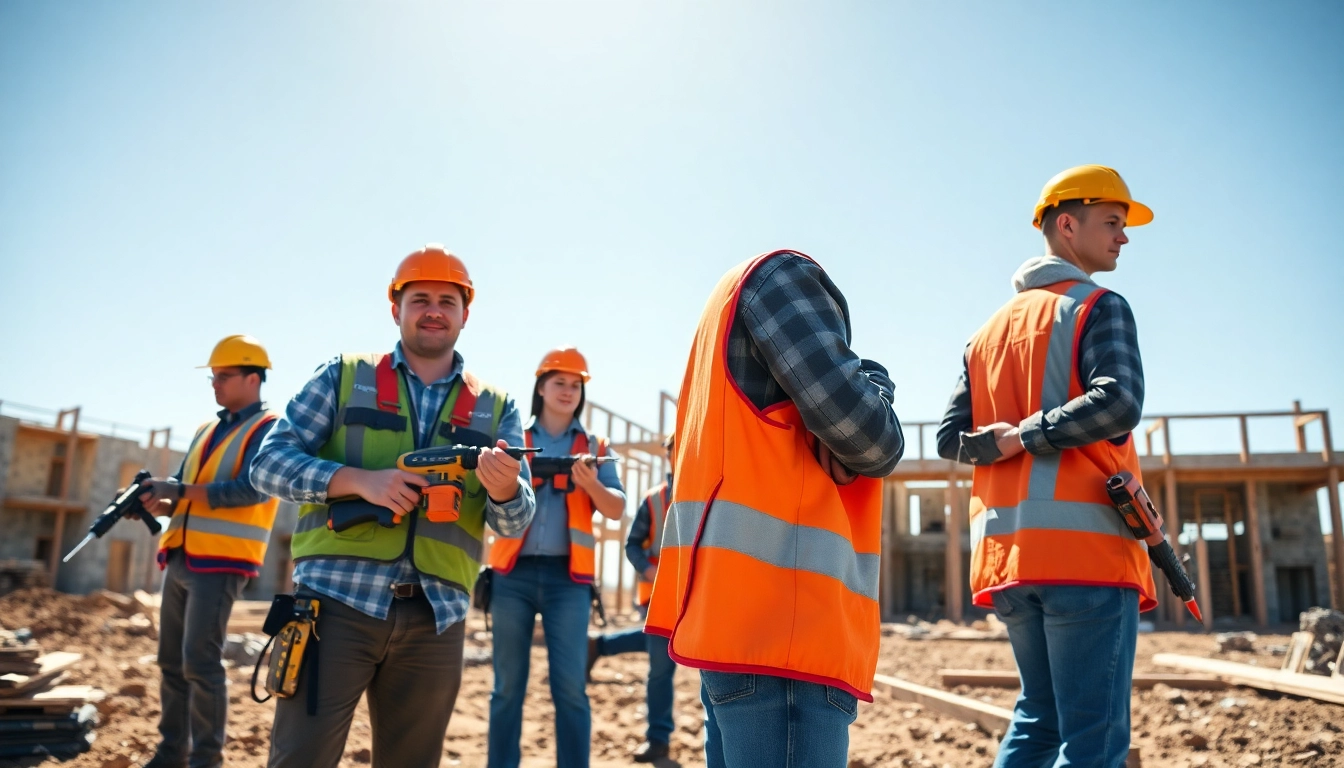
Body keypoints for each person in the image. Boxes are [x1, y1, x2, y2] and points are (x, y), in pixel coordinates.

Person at [250, 244, 535, 768]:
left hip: (437, 618)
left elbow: (516, 521)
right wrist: (357, 481)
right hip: (334, 605)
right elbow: (267, 464)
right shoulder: (342, 376)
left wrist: (504, 490)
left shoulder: (497, 408)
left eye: (447, 302)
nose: (434, 311)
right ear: (395, 308)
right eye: (420, 299)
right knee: (300, 758)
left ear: (465, 315)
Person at [646, 250, 904, 768]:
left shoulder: (725, 304)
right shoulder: (781, 280)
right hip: (789, 632)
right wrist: (874, 380)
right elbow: (874, 441)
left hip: (732, 625)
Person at [935, 165, 1157, 767]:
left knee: (1040, 718)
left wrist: (1005, 441)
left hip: (1010, 559)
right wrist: (1028, 436)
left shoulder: (985, 336)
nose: (1123, 237)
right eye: (1112, 222)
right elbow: (1119, 403)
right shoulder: (1098, 307)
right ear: (1067, 226)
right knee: (1093, 740)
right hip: (1085, 557)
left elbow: (952, 439)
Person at [137, 334, 280, 768]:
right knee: (171, 663)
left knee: (201, 663)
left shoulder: (270, 428)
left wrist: (176, 490)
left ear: (253, 378)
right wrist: (156, 503)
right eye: (213, 377)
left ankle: (206, 760)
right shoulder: (205, 429)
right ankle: (171, 754)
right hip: (181, 555)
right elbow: (183, 494)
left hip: (222, 561)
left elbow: (251, 490)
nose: (215, 384)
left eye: (223, 376)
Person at [487, 346, 626, 768]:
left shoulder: (595, 446)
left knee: (570, 689)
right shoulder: (515, 441)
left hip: (570, 582)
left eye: (575, 385)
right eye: (559, 382)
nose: (568, 391)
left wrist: (591, 484)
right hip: (511, 577)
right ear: (541, 388)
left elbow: (617, 508)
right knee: (507, 689)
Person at [586, 435, 677, 763]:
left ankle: (600, 645)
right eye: (678, 448)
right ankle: (658, 739)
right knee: (661, 668)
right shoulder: (654, 500)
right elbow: (632, 545)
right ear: (668, 456)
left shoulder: (712, 495)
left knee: (660, 650)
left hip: (699, 597)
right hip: (658, 597)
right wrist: (648, 570)